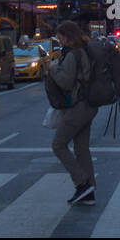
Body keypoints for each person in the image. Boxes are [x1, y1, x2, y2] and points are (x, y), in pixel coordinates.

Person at [48, 21, 97, 206]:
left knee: (58, 144)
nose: (58, 40)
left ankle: (82, 183)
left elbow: (66, 83)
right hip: (89, 105)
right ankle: (89, 191)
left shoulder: (71, 55)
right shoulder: (84, 50)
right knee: (81, 149)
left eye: (60, 36)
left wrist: (53, 69)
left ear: (68, 36)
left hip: (78, 107)